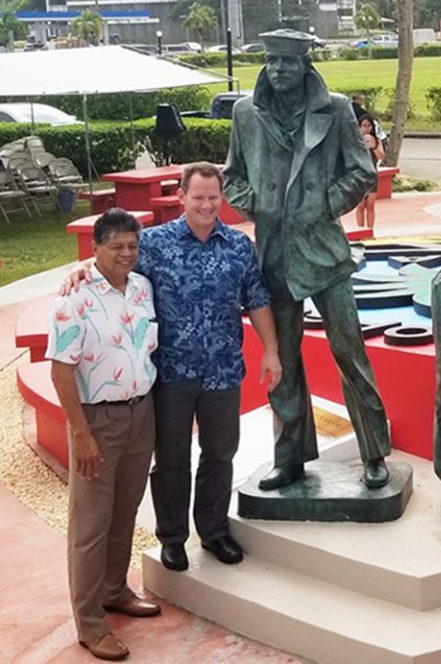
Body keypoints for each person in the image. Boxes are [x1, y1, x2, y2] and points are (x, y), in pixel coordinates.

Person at [67, 162, 282, 575]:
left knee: (220, 455)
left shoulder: (239, 246)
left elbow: (256, 299)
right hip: (170, 374)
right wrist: (82, 271)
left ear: (223, 198)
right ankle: (173, 537)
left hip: (222, 371)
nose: (206, 205)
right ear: (181, 197)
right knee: (171, 459)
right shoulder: (154, 244)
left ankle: (215, 531)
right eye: (198, 197)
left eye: (213, 197)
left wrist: (270, 351)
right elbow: (116, 269)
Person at [223, 28, 392, 491]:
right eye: (273, 61)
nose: (279, 70)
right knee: (283, 362)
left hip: (326, 253)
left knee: (350, 353)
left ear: (305, 66)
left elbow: (362, 170)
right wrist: (255, 204)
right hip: (274, 255)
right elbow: (232, 174)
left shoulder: (335, 109)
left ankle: (374, 452)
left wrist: (322, 205)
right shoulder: (245, 114)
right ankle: (290, 458)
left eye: (289, 63)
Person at [48, 209, 160, 662]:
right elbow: (61, 372)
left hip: (141, 412)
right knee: (90, 524)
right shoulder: (73, 300)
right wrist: (82, 433)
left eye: (132, 246)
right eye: (116, 247)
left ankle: (115, 590)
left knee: (125, 511)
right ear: (95, 248)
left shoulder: (141, 287)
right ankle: (90, 624)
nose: (126, 254)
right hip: (97, 419)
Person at [355, 113, 385, 229]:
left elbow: (381, 157)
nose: (366, 128)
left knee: (370, 205)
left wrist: (374, 146)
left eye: (369, 126)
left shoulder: (376, 141)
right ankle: (360, 229)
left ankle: (370, 230)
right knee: (360, 205)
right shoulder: (355, 141)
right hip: (360, 175)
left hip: (372, 175)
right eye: (363, 126)